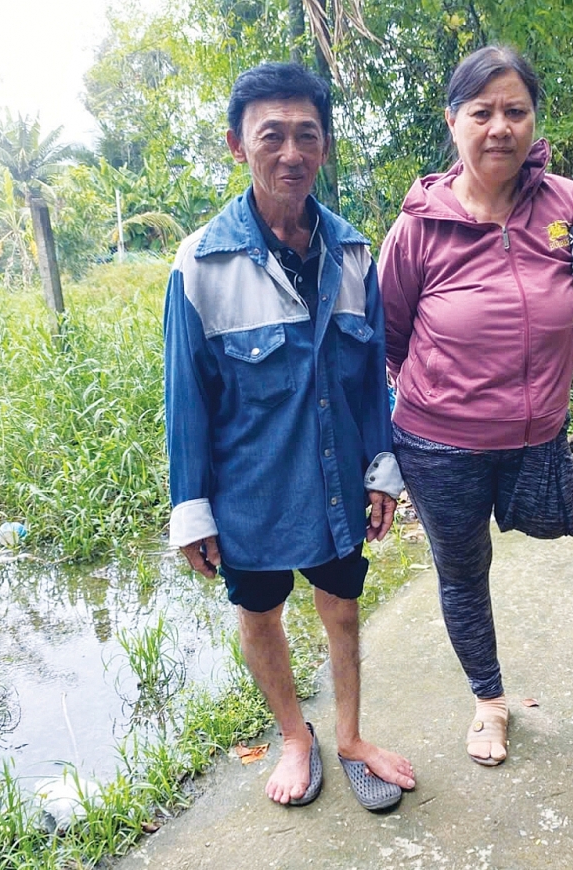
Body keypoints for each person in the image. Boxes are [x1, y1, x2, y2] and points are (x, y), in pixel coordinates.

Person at [378, 46, 573, 767]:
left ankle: (492, 686)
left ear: (534, 120)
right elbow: (386, 339)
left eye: (515, 111)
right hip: (439, 444)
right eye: (482, 112)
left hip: (538, 436)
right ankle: (489, 702)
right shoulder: (418, 228)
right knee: (464, 573)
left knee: (547, 525)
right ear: (453, 121)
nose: (499, 127)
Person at [164, 62, 415, 810]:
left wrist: (382, 468)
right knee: (260, 613)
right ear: (238, 146)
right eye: (271, 135)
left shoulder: (351, 254)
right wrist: (192, 506)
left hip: (340, 480)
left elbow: (371, 373)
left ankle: (348, 736)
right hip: (250, 488)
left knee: (341, 607)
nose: (291, 153)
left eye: (307, 135)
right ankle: (295, 737)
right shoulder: (201, 262)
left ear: (326, 147)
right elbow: (187, 396)